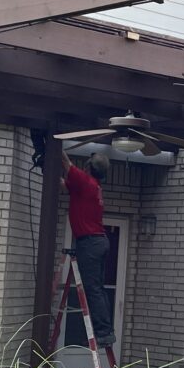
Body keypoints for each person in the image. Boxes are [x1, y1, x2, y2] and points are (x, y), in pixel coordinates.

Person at [60, 148, 115, 347]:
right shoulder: (89, 186)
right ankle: (105, 331)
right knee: (97, 289)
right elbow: (64, 185)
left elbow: (66, 163)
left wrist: (54, 142)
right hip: (97, 241)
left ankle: (103, 333)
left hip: (90, 243)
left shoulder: (86, 182)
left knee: (93, 289)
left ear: (89, 167)